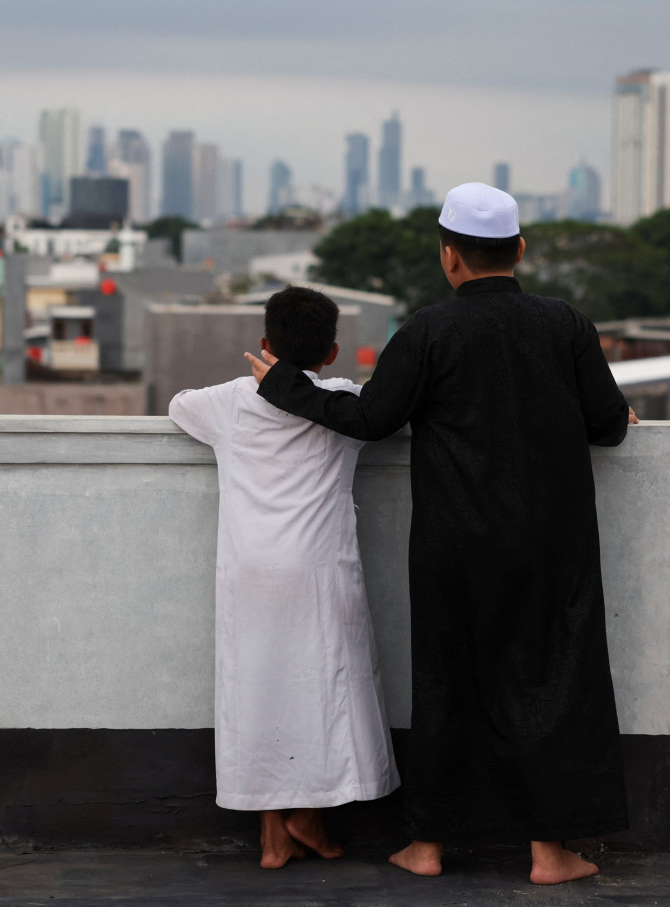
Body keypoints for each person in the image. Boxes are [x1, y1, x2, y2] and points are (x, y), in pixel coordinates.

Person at [245, 183, 637, 886]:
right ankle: (550, 853)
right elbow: (606, 420)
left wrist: (284, 386)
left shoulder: (426, 330)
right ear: (519, 250)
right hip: (552, 543)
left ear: (448, 256)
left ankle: (426, 847)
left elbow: (370, 420)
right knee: (554, 681)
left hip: (454, 544)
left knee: (447, 683)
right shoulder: (567, 324)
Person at [169, 285, 400, 870]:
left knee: (259, 694)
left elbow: (178, 404)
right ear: (331, 352)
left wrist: (251, 382)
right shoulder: (344, 399)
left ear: (265, 345)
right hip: (321, 570)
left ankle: (275, 836)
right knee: (324, 691)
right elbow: (385, 416)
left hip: (250, 572)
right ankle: (310, 817)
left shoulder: (228, 403)